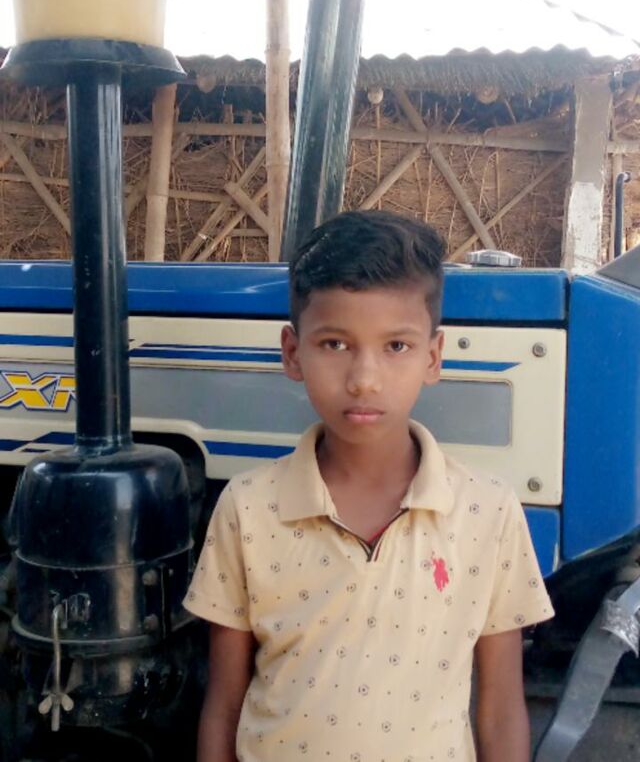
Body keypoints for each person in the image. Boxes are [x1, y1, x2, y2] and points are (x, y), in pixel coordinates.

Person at [185, 210, 554, 762]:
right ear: (293, 352)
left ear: (433, 357)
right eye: (335, 344)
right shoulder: (248, 508)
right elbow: (223, 704)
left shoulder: (488, 512)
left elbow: (501, 711)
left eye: (396, 347)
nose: (363, 379)